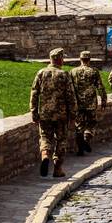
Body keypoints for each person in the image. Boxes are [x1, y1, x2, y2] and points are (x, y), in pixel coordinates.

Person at [30, 47, 77, 177]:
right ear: (60, 59)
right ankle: (57, 168)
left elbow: (34, 94)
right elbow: (70, 96)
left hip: (45, 113)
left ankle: (45, 155)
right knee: (61, 140)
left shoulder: (41, 73)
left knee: (45, 137)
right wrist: (73, 115)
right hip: (61, 115)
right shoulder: (64, 75)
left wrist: (34, 112)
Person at [70, 51, 107, 155]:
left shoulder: (73, 72)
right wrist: (104, 100)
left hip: (78, 103)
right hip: (90, 103)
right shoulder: (93, 71)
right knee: (91, 123)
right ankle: (86, 138)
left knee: (79, 125)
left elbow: (70, 88)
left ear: (80, 59)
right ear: (89, 60)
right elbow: (100, 87)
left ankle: (80, 149)